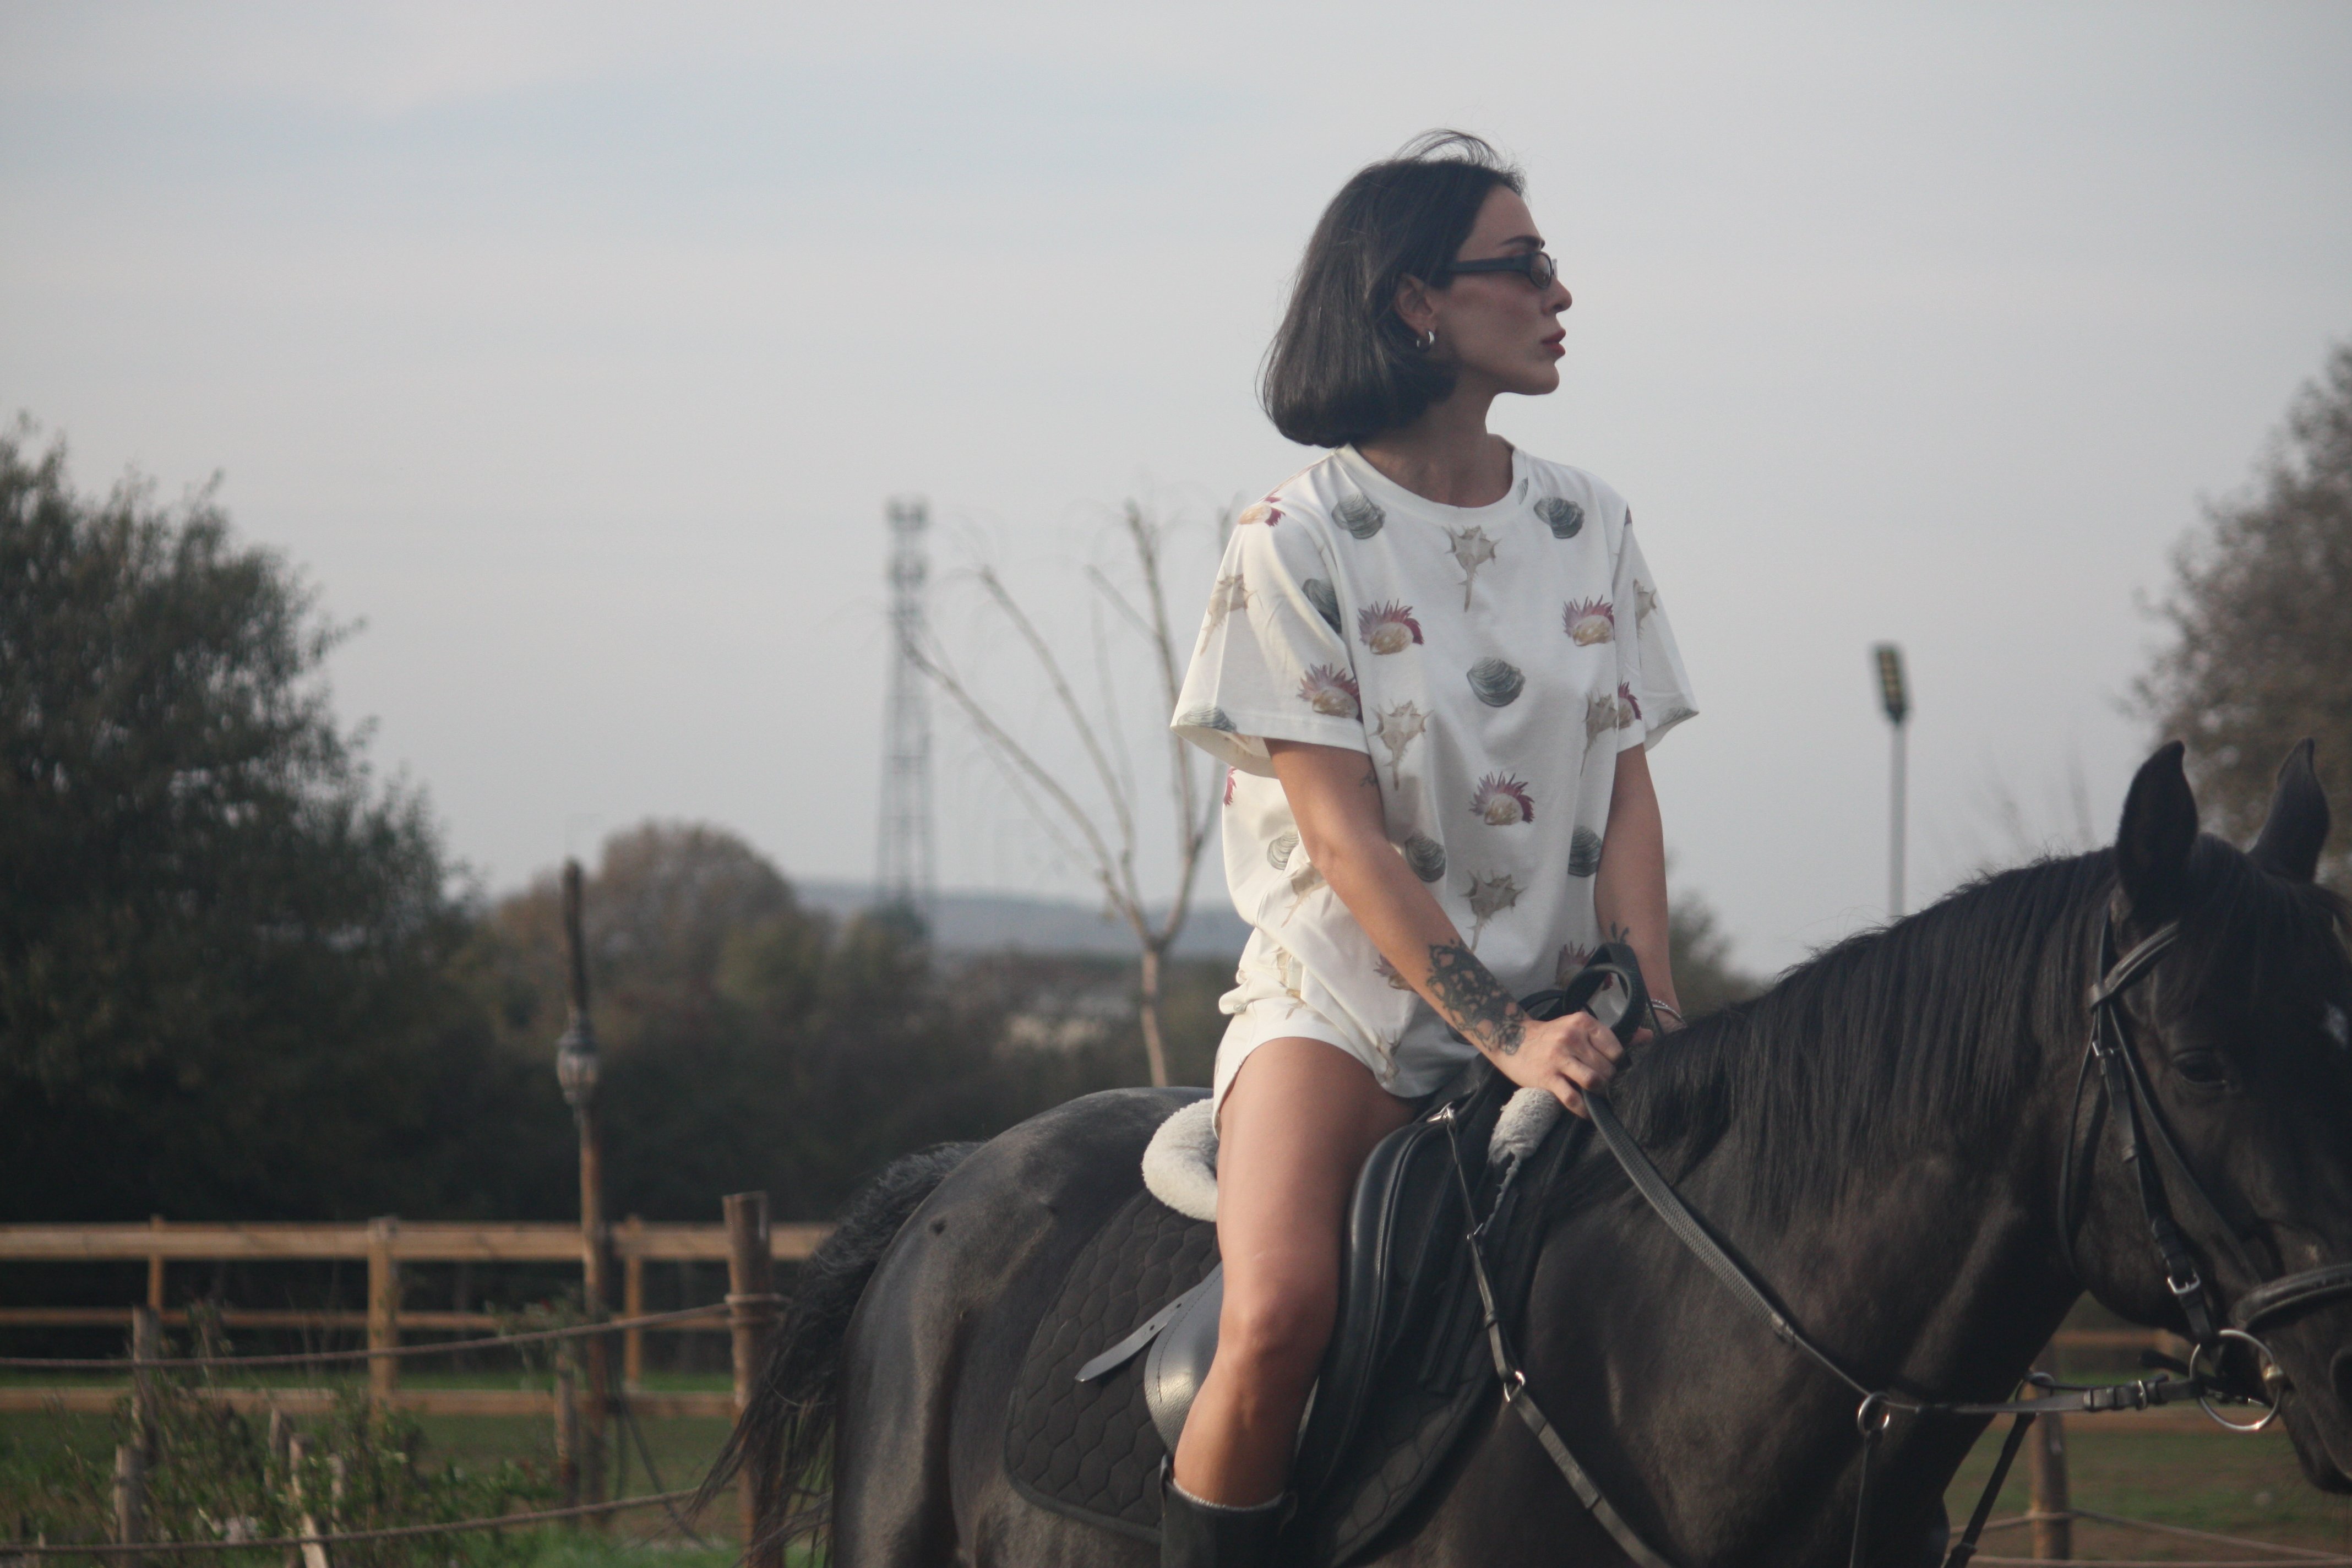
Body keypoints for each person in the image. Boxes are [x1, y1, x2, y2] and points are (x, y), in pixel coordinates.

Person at [1163, 131, 1699, 1565]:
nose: (1560, 292)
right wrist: (1503, 1034)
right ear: (1414, 301)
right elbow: (1341, 840)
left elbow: (1628, 795)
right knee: (1277, 1315)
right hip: (1345, 1015)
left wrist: (1649, 998)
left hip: (1572, 1016)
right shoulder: (1292, 540)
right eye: (1525, 265)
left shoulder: (1594, 522)